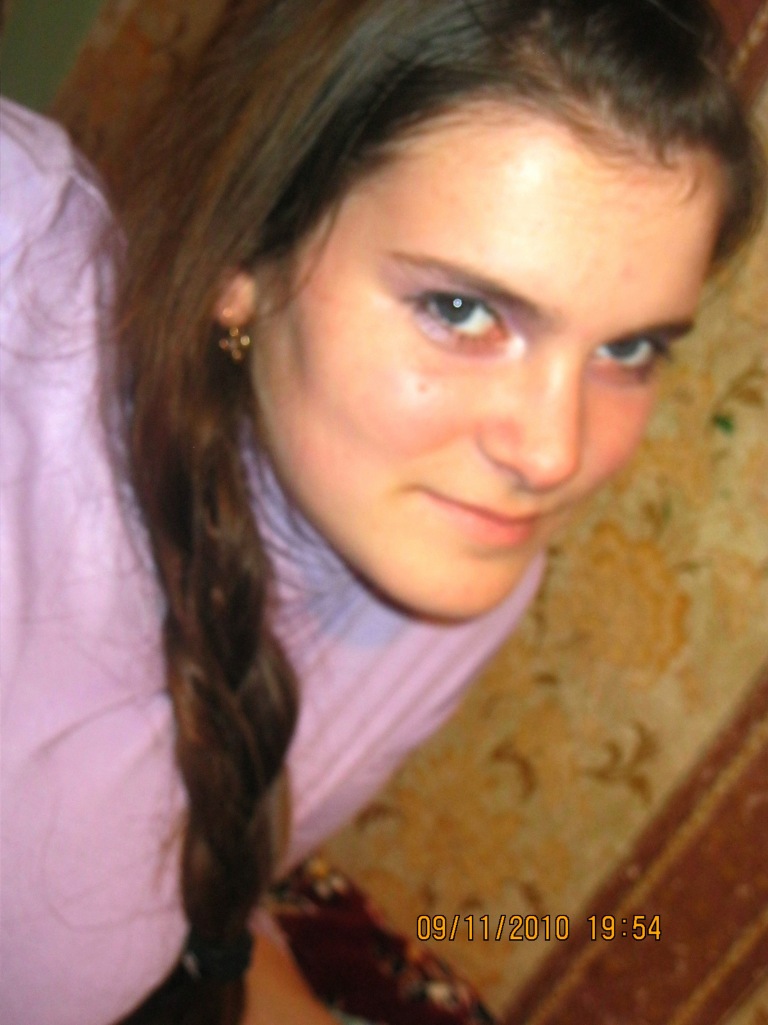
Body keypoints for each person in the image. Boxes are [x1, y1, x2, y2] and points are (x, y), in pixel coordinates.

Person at [0, 0, 763, 1023]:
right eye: (461, 309)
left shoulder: (464, 572)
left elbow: (196, 906)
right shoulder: (21, 264)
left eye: (628, 350)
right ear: (246, 251)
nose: (554, 455)